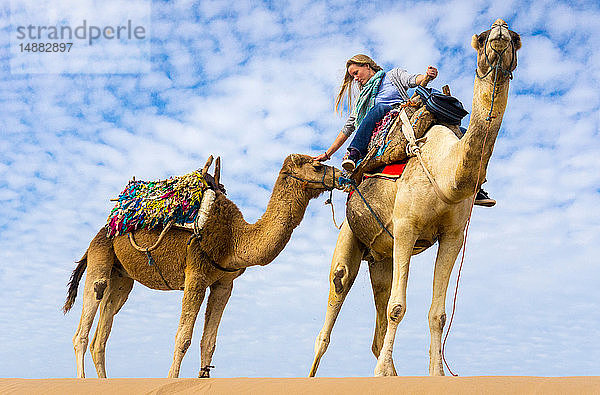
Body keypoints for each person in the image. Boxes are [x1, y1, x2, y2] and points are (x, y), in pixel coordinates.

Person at [313, 54, 495, 207]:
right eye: (352, 76)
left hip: (406, 116)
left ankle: (475, 186)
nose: (355, 78)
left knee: (460, 132)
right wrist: (328, 154)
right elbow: (349, 127)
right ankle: (353, 154)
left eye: (356, 73)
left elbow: (414, 81)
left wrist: (427, 77)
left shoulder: (393, 76)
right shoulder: (363, 100)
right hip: (380, 126)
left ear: (367, 66)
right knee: (378, 109)